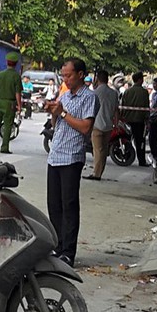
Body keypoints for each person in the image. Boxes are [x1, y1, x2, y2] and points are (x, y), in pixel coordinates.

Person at [44, 57, 99, 267]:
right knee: (54, 205)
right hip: (55, 155)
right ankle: (57, 246)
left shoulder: (89, 98)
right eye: (63, 75)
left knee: (69, 205)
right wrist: (54, 112)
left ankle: (68, 251)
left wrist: (63, 113)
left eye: (68, 75)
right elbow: (57, 123)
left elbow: (86, 127)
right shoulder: (65, 95)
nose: (65, 78)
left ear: (80, 75)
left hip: (71, 157)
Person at [85, 69, 118, 180]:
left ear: (97, 79)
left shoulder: (94, 93)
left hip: (96, 125)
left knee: (97, 150)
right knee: (103, 150)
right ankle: (100, 171)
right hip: (108, 126)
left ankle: (96, 173)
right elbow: (116, 110)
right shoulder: (114, 93)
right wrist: (116, 124)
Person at [0, 51, 22, 154]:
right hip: (10, 104)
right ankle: (4, 147)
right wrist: (19, 106)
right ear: (16, 64)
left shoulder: (0, 74)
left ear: (7, 62)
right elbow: (17, 93)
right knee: (7, 126)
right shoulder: (16, 76)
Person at [121, 72, 150, 166]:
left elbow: (123, 105)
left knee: (127, 140)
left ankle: (126, 157)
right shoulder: (144, 92)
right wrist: (147, 120)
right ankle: (141, 161)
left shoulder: (127, 91)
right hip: (139, 121)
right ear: (140, 80)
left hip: (128, 120)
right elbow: (146, 107)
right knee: (140, 141)